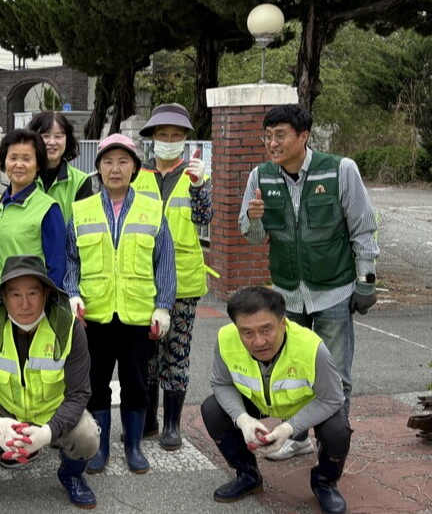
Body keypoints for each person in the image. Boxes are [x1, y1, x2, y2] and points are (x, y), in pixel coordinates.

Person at [238, 104, 378, 460]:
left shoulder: (340, 170)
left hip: (334, 290)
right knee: (294, 373)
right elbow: (253, 237)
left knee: (336, 376)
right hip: (286, 294)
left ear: (304, 136)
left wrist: (366, 280)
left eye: (280, 135)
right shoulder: (260, 176)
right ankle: (297, 438)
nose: (272, 143)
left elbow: (362, 226)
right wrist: (254, 219)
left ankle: (333, 451)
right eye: (267, 136)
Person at [0, 255, 99, 512]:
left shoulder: (70, 327)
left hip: (50, 409)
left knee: (87, 435)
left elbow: (79, 393)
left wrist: (48, 432)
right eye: (15, 295)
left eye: (32, 293)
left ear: (47, 293)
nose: (25, 304)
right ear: (3, 297)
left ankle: (71, 475)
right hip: (2, 405)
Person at [64, 133, 176, 475]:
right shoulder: (81, 210)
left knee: (136, 382)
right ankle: (99, 447)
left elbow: (165, 261)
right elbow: (71, 259)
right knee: (96, 382)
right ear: (98, 168)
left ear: (135, 168)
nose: (116, 169)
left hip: (137, 315)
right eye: (108, 162)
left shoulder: (152, 209)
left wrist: (163, 306)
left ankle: (133, 445)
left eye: (123, 161)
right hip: (94, 315)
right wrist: (72, 293)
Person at [202, 286, 351, 514]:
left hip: (305, 404)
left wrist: (289, 428)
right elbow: (221, 383)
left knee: (337, 429)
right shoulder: (226, 339)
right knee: (212, 409)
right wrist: (243, 420)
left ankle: (324, 482)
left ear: (283, 322)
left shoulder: (312, 348)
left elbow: (332, 398)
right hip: (259, 400)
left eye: (266, 330)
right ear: (236, 327)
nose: (258, 341)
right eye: (247, 332)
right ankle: (248, 475)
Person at [132, 103, 212, 450]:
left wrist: (198, 186)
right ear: (151, 139)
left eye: (176, 135)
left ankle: (172, 425)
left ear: (184, 139)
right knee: (145, 354)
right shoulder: (138, 174)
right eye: (162, 135)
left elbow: (204, 216)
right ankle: (147, 421)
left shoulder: (195, 175)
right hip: (142, 280)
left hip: (184, 281)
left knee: (176, 353)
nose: (168, 140)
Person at [0, 129, 66, 298]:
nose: (19, 165)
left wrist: (46, 305)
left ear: (38, 164)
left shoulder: (47, 209)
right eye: (13, 158)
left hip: (26, 309)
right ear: (5, 162)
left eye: (27, 159)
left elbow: (57, 267)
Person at [27, 111, 93, 221]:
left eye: (58, 136)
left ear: (67, 140)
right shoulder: (24, 176)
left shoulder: (81, 182)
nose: (52, 142)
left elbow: (82, 226)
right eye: (46, 136)